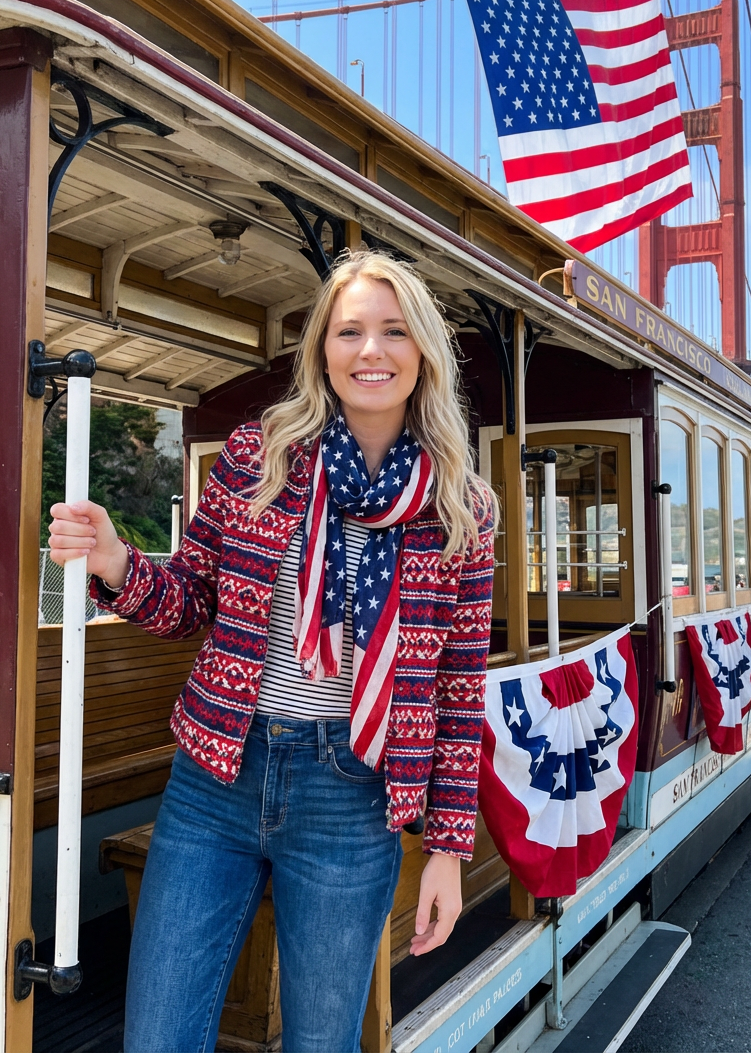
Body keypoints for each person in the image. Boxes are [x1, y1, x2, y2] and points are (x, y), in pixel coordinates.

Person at [49, 251, 496, 1053]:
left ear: (424, 350)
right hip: (216, 777)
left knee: (322, 1041)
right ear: (322, 348)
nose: (371, 350)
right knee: (157, 1036)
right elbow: (190, 601)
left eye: (394, 331)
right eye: (349, 331)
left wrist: (446, 851)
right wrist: (116, 563)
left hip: (352, 795)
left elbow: (460, 691)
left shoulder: (461, 506)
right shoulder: (261, 456)